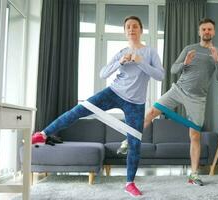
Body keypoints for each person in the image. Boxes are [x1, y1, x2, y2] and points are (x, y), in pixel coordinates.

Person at [31, 16, 165, 197]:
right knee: (78, 110)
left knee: (134, 143)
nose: (131, 29)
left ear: (141, 30)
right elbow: (103, 74)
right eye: (128, 27)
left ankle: (129, 183)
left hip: (136, 103)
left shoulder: (150, 53)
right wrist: (120, 62)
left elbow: (160, 76)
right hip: (113, 93)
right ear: (125, 32)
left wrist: (140, 61)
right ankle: (43, 134)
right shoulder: (121, 52)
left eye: (135, 27)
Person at [118, 18, 218, 186]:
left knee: (195, 135)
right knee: (152, 112)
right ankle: (127, 140)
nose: (206, 32)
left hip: (198, 98)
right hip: (178, 90)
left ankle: (194, 174)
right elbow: (173, 69)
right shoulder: (190, 49)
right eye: (203, 29)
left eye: (209, 29)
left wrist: (216, 60)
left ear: (214, 32)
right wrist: (185, 63)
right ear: (199, 32)